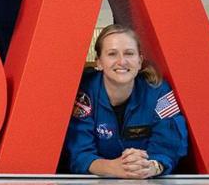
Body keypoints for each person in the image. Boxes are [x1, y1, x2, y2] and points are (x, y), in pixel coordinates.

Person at [64, 24, 188, 177]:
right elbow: (79, 154)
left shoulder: (159, 92)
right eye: (112, 54)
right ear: (99, 62)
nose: (122, 61)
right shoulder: (84, 92)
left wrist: (151, 167)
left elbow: (169, 147)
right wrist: (114, 168)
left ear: (140, 61)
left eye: (129, 53)